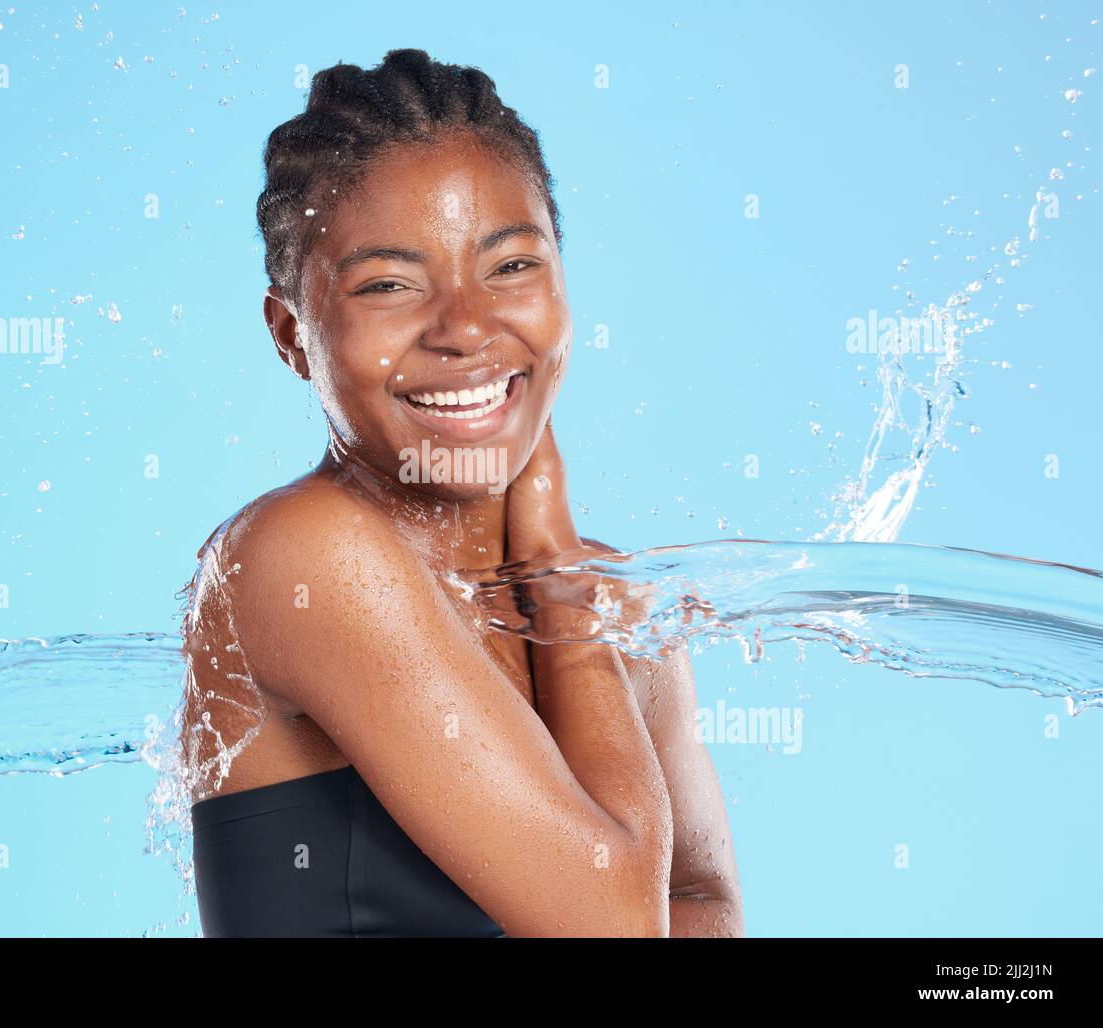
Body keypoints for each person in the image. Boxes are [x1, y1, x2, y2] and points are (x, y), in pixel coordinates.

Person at [181, 48, 742, 938]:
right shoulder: (305, 556)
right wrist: (555, 576)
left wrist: (569, 591)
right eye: (390, 285)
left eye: (512, 266)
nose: (467, 328)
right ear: (291, 335)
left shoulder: (618, 616)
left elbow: (711, 913)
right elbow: (619, 927)